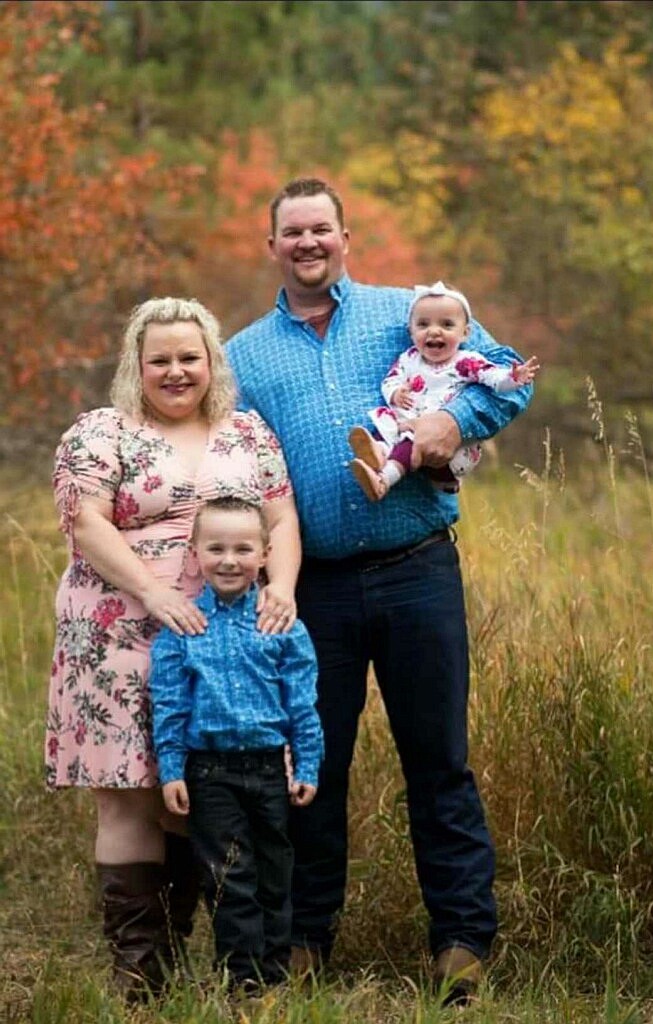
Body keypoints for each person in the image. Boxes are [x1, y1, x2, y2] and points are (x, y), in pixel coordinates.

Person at [225, 177, 534, 1003]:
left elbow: (510, 375)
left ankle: (462, 940)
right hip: (309, 590)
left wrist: (454, 422)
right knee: (311, 767)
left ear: (345, 237)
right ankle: (304, 939)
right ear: (272, 247)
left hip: (416, 572)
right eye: (292, 233)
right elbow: (233, 468)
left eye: (320, 229)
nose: (308, 243)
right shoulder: (244, 356)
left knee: (438, 760)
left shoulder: (412, 309)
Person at [45, 297, 302, 1001]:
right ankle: (142, 978)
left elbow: (280, 517)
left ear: (212, 361)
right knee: (129, 797)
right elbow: (85, 522)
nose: (176, 370)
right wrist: (154, 595)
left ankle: (212, 958)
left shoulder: (246, 432)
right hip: (120, 632)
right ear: (137, 364)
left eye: (189, 356)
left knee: (205, 792)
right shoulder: (102, 431)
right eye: (159, 358)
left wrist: (279, 590)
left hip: (226, 648)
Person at [149, 496, 323, 992]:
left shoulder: (283, 624)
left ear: (266, 554)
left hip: (270, 769)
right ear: (196, 553)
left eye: (244, 548)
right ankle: (241, 980)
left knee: (273, 872)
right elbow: (169, 706)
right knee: (230, 878)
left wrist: (307, 765)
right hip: (210, 773)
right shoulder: (182, 628)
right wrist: (172, 770)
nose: (230, 560)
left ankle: (275, 974)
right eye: (217, 548)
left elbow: (302, 705)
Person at [348, 280, 540, 500]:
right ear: (411, 331)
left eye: (447, 325)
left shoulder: (466, 361)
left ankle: (383, 480)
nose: (434, 331)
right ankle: (379, 453)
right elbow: (391, 380)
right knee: (385, 424)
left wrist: (513, 377)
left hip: (446, 454)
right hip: (410, 419)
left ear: (465, 333)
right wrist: (395, 393)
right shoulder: (410, 359)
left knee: (412, 439)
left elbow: (493, 378)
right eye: (423, 325)